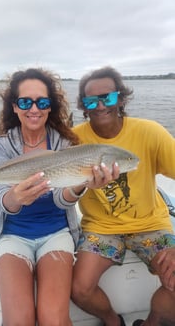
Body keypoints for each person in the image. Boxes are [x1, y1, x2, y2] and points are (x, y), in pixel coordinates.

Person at [0, 68, 118, 326]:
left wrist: (81, 185)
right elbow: (3, 202)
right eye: (25, 102)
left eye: (42, 102)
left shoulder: (64, 144)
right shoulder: (2, 144)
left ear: (50, 106)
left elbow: (60, 200)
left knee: (53, 319)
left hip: (56, 233)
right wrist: (17, 197)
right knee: (18, 321)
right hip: (12, 234)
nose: (34, 109)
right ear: (15, 106)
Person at [71, 66, 175, 326]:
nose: (100, 105)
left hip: (151, 225)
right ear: (83, 105)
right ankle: (112, 320)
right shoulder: (73, 140)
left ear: (122, 98)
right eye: (91, 100)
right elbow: (61, 188)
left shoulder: (150, 132)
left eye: (108, 97)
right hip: (101, 228)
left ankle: (151, 322)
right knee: (79, 289)